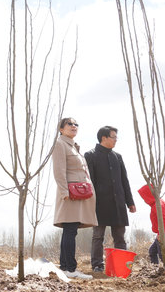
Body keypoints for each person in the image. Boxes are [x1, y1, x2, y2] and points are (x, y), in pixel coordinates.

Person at [84, 126, 136, 273]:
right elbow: (89, 182)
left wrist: (130, 202)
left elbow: (124, 181)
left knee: (120, 237)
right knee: (98, 236)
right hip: (99, 203)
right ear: (104, 138)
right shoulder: (90, 155)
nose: (116, 140)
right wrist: (90, 203)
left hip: (118, 203)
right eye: (113, 137)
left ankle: (122, 266)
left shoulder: (117, 157)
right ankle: (97, 265)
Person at [52, 118, 97, 280]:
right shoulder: (60, 144)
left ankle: (66, 267)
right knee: (70, 229)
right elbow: (58, 170)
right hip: (70, 194)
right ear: (61, 129)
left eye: (76, 124)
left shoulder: (74, 146)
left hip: (79, 195)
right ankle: (70, 268)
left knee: (70, 230)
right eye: (69, 124)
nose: (73, 126)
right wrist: (64, 192)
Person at [138, 183, 165, 265]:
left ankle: (162, 269)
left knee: (162, 254)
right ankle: (156, 267)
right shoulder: (156, 204)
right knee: (152, 251)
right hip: (160, 233)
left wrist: (161, 234)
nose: (144, 200)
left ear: (149, 195)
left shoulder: (158, 205)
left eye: (144, 198)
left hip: (162, 234)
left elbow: (163, 220)